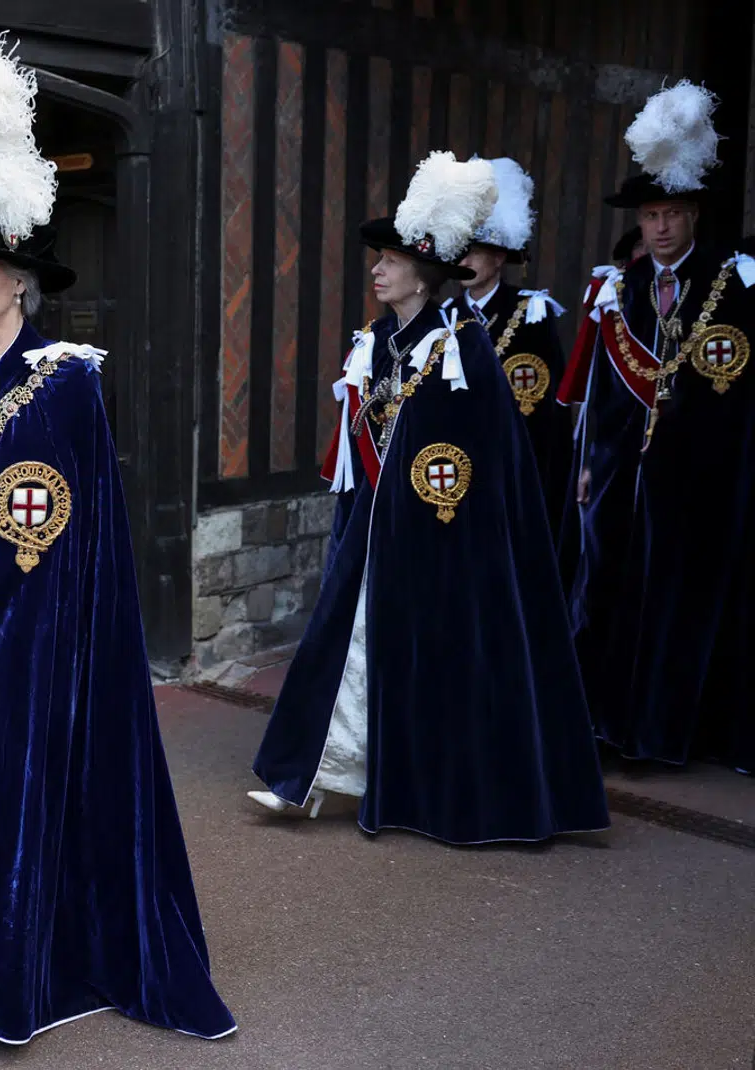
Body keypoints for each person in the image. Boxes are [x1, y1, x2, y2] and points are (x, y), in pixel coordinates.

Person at [0, 27, 235, 1050]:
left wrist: (28, 624)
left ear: (22, 284)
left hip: (47, 622)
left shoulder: (67, 378)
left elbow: (66, 519)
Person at [247, 150, 610, 843]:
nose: (377, 271)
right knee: (346, 645)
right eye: (378, 260)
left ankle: (429, 791)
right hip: (381, 531)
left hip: (447, 538)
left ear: (421, 272)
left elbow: (476, 457)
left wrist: (441, 528)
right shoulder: (380, 341)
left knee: (435, 661)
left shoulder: (464, 346)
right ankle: (316, 776)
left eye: (388, 260)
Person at [556, 82, 754, 773]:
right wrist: (588, 464)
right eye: (649, 215)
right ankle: (604, 723)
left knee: (680, 602)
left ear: (692, 214)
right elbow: (607, 388)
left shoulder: (731, 286)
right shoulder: (625, 289)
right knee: (605, 591)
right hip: (618, 472)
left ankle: (665, 732)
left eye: (671, 213)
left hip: (697, 475)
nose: (660, 227)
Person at [444, 157, 570, 532]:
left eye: (475, 251)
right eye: (460, 250)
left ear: (499, 257)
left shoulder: (531, 311)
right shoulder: (446, 317)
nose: (464, 260)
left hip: (515, 465)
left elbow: (550, 406)